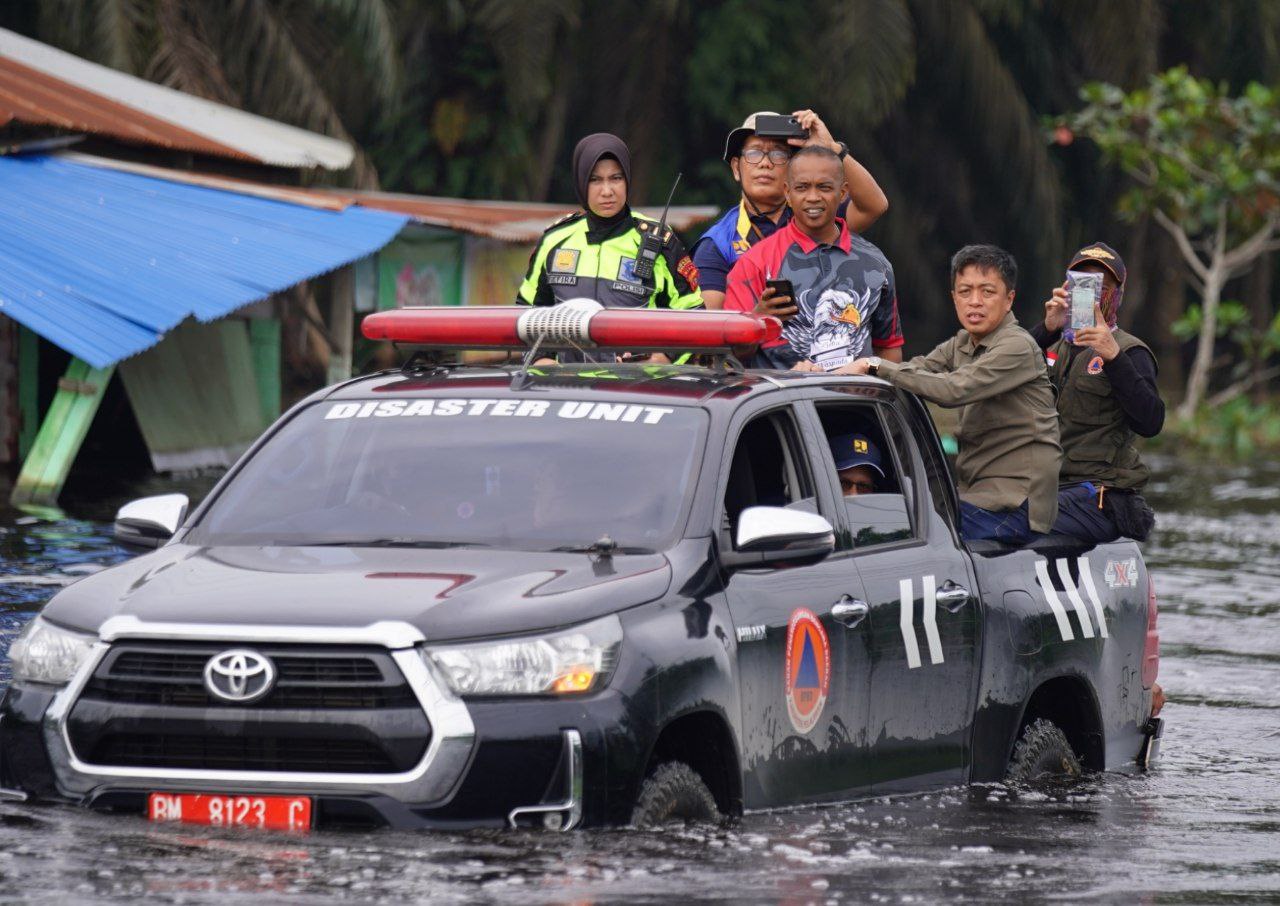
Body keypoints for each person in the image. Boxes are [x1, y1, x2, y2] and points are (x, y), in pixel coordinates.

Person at [841, 245, 1061, 545]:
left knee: (897, 536)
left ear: (1009, 300)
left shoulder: (1017, 346)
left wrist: (876, 364)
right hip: (974, 498)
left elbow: (952, 389)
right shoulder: (961, 343)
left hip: (1016, 507)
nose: (975, 302)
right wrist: (831, 373)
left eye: (987, 292)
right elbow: (915, 370)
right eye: (965, 291)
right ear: (953, 297)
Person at [722, 145, 904, 371]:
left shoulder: (876, 263)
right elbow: (728, 358)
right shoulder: (754, 263)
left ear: (843, 193)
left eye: (824, 187)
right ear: (788, 193)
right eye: (802, 188)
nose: (813, 197)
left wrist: (871, 374)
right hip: (781, 404)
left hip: (855, 403)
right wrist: (757, 321)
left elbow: (889, 349)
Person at [1031, 242, 1163, 543]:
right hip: (1049, 487)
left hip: (1098, 493)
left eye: (1100, 285)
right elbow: (997, 378)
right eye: (1083, 283)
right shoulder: (1050, 344)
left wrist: (1113, 357)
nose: (1091, 294)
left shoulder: (1130, 351)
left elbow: (1151, 422)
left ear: (1116, 295)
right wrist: (1047, 328)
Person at [693, 110, 889, 310]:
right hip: (758, 340)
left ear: (793, 169)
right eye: (754, 153)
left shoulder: (815, 214)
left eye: (778, 154)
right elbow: (711, 327)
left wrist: (832, 149)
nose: (765, 163)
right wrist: (757, 317)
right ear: (736, 168)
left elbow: (874, 206)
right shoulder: (717, 243)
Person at [517, 133, 702, 318]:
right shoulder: (554, 240)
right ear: (580, 182)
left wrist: (660, 348)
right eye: (595, 180)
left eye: (616, 178)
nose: (607, 191)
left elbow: (695, 319)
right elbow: (523, 317)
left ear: (627, 180)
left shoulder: (660, 241)